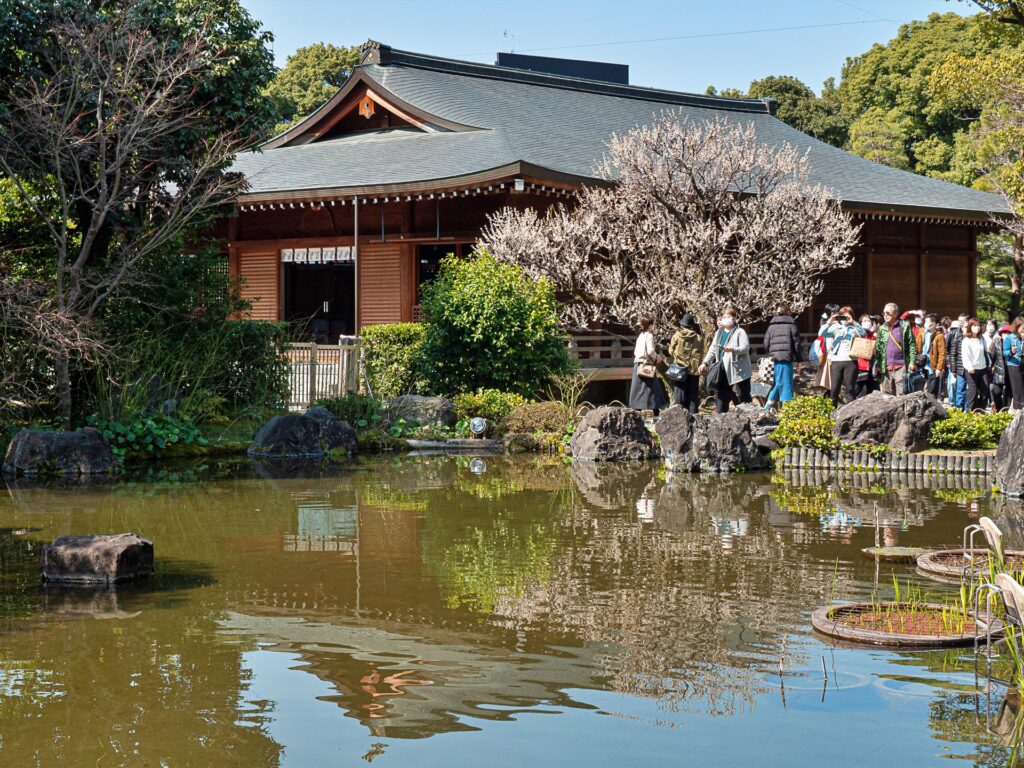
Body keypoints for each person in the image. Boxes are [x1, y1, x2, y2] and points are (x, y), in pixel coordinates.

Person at [698, 307, 751, 414]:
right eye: (724, 317)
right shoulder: (719, 332)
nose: (726, 319)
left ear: (735, 318)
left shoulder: (740, 332)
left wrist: (732, 349)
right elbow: (713, 349)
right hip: (723, 369)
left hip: (739, 369)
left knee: (743, 396)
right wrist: (705, 362)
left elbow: (745, 347)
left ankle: (749, 418)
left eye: (729, 317)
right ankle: (721, 420)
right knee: (721, 396)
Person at [821, 306, 864, 407]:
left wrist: (854, 322)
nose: (845, 319)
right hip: (836, 361)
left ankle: (852, 416)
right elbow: (822, 333)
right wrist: (829, 321)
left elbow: (863, 333)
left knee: (850, 390)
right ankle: (831, 416)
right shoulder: (835, 327)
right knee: (834, 390)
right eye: (843, 316)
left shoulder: (854, 328)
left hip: (851, 361)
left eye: (847, 316)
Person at [762, 304, 802, 411]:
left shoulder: (771, 326)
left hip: (774, 359)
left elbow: (766, 343)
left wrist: (769, 354)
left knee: (778, 383)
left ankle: (768, 407)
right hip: (786, 359)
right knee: (786, 384)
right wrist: (799, 360)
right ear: (788, 313)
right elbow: (797, 344)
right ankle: (785, 410)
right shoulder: (792, 326)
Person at [874, 302, 918, 395]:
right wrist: (877, 364)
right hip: (886, 367)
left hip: (901, 366)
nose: (885, 315)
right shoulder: (882, 328)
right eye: (884, 313)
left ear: (895, 314)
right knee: (887, 395)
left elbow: (912, 344)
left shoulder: (904, 326)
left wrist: (912, 361)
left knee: (902, 394)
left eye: (888, 313)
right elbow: (878, 348)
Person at [629, 315, 669, 417]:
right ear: (650, 326)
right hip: (647, 366)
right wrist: (657, 357)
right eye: (652, 325)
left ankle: (637, 417)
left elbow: (636, 352)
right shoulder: (649, 336)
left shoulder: (640, 336)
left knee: (638, 393)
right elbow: (651, 350)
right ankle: (654, 417)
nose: (653, 327)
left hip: (638, 366)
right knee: (653, 392)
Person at [667, 313, 704, 413]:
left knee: (679, 392)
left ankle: (680, 414)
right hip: (693, 369)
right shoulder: (698, 338)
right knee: (693, 394)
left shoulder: (677, 336)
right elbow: (701, 353)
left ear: (682, 325)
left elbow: (670, 351)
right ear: (692, 325)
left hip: (679, 369)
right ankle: (693, 416)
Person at [961, 317, 990, 412]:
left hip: (982, 368)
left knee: (985, 391)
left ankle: (981, 410)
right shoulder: (966, 340)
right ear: (970, 327)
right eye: (974, 325)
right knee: (972, 392)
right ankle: (969, 412)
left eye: (978, 326)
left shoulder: (982, 339)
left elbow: (985, 353)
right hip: (971, 369)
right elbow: (965, 356)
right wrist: (969, 367)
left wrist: (988, 364)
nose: (977, 328)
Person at [922, 313, 947, 398]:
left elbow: (942, 353)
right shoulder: (922, 333)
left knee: (932, 390)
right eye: (926, 322)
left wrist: (939, 368)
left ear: (935, 324)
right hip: (922, 365)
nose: (927, 324)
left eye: (930, 323)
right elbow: (917, 347)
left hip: (933, 367)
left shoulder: (939, 336)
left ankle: (932, 407)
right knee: (922, 389)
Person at [854, 313, 877, 398]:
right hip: (860, 365)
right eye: (864, 321)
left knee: (870, 389)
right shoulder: (858, 334)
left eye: (868, 320)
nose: (866, 322)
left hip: (871, 366)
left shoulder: (873, 335)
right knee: (858, 388)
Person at [1005, 318, 1023, 412]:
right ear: (1016, 327)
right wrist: (1011, 352)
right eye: (1021, 327)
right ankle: (1017, 410)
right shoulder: (1009, 337)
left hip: (1022, 364)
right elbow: (1004, 353)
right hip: (1013, 365)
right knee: (1017, 389)